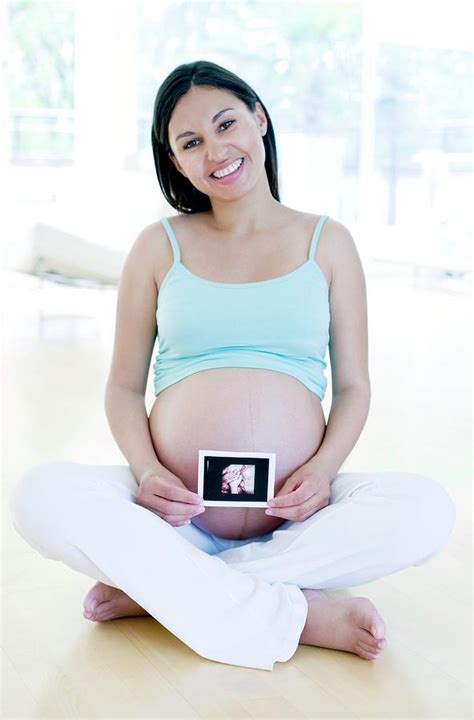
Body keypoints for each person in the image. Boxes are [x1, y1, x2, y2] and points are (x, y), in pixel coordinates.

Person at [9, 60, 457, 672]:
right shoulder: (158, 245)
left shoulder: (329, 242)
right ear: (175, 162)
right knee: (41, 496)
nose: (215, 151)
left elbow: (353, 387)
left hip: (298, 520)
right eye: (190, 143)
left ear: (259, 120)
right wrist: (144, 472)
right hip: (174, 517)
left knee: (427, 511)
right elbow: (121, 387)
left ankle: (165, 590)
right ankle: (299, 614)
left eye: (226, 125)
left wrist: (324, 472)